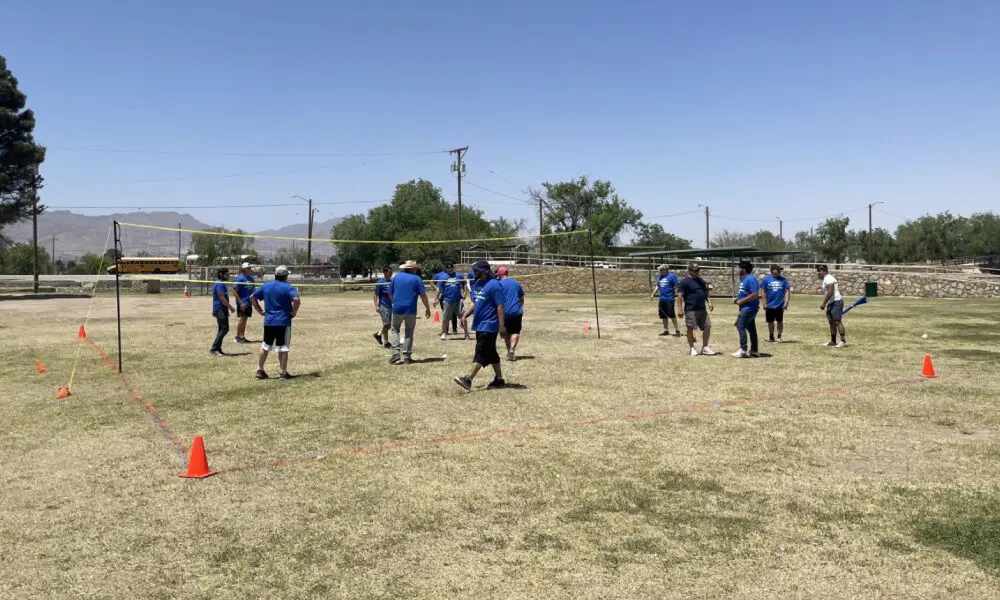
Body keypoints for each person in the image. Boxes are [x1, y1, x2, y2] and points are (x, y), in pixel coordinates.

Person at [454, 260, 507, 391]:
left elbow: (500, 305)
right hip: (479, 324)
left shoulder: (495, 285)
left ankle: (468, 379)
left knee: (481, 352)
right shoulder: (477, 284)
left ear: (484, 271)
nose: (474, 272)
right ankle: (499, 380)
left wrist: (502, 326)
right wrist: (465, 315)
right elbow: (474, 302)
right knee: (491, 352)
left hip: (489, 324)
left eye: (476, 270)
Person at [251, 265, 301, 379]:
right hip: (283, 322)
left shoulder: (266, 286)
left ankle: (260, 369)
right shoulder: (288, 288)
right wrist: (293, 313)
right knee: (283, 347)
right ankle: (283, 372)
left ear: (275, 275)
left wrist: (259, 311)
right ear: (286, 276)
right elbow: (296, 300)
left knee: (265, 346)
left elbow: (252, 297)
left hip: (269, 321)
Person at [388, 260, 432, 365]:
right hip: (411, 309)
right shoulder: (417, 279)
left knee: (395, 330)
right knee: (409, 332)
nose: (416, 269)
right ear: (412, 269)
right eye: (415, 268)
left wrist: (394, 302)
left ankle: (395, 352)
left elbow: (390, 292)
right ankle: (407, 356)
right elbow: (423, 295)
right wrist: (427, 308)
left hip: (397, 308)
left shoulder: (396, 277)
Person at [676, 263, 718, 356]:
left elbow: (705, 293)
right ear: (690, 271)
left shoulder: (701, 281)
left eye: (698, 270)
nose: (697, 272)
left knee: (707, 326)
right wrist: (679, 309)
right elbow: (680, 296)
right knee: (691, 328)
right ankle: (692, 348)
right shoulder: (684, 282)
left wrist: (709, 302)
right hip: (691, 309)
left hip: (702, 309)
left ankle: (705, 348)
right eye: (695, 270)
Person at [731, 260, 760, 358]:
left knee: (740, 326)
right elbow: (746, 293)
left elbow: (754, 294)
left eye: (739, 268)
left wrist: (741, 301)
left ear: (743, 269)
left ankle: (743, 349)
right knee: (751, 329)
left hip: (749, 308)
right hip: (746, 307)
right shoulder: (744, 279)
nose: (738, 270)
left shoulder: (750, 279)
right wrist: (738, 298)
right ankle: (754, 350)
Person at [496, 266, 525, 361]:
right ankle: (512, 349)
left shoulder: (498, 284)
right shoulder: (515, 283)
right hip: (516, 311)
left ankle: (509, 351)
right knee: (515, 332)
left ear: (499, 275)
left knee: (506, 334)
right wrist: (519, 307)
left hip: (504, 312)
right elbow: (521, 298)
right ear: (507, 273)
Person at [434, 263, 469, 341]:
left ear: (453, 268)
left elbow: (464, 284)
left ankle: (466, 334)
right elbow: (438, 288)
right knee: (445, 318)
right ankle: (443, 333)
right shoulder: (442, 277)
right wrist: (435, 299)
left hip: (458, 300)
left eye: (451, 268)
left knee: (463, 317)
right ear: (445, 269)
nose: (450, 269)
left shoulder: (459, 276)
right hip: (447, 300)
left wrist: (464, 293)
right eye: (448, 268)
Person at [760, 264, 791, 342]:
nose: (780, 271)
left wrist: (786, 302)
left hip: (780, 305)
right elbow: (763, 291)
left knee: (780, 321)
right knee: (770, 322)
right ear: (773, 270)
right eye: (778, 270)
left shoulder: (784, 280)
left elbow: (787, 291)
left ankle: (779, 337)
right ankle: (771, 337)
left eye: (780, 270)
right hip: (769, 305)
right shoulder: (766, 280)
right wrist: (764, 302)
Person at [818, 265, 847, 347]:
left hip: (836, 302)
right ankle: (833, 341)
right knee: (831, 322)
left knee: (837, 321)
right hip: (831, 303)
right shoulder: (826, 279)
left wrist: (823, 303)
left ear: (823, 271)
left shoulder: (829, 278)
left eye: (818, 271)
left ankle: (843, 341)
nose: (818, 273)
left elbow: (830, 292)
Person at [649, 264, 681, 336]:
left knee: (672, 315)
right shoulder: (660, 277)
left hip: (670, 299)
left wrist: (678, 293)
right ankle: (666, 330)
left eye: (661, 270)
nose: (659, 271)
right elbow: (658, 286)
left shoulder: (672, 276)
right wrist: (653, 294)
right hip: (662, 299)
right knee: (663, 315)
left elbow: (677, 285)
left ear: (665, 269)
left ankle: (677, 330)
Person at [210, 268, 235, 356]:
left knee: (222, 328)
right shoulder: (219, 284)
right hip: (219, 310)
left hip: (222, 309)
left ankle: (218, 348)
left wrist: (226, 309)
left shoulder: (221, 283)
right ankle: (214, 349)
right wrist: (230, 307)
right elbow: (221, 298)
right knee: (224, 328)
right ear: (221, 274)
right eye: (227, 274)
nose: (228, 276)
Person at [232, 262, 256, 344]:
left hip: (249, 302)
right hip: (243, 303)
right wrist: (241, 302)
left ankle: (242, 337)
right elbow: (234, 292)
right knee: (242, 319)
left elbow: (253, 290)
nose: (250, 269)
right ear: (243, 269)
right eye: (248, 268)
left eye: (250, 268)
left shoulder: (251, 278)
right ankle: (237, 337)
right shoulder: (240, 278)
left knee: (245, 320)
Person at [373, 266, 393, 349]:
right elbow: (375, 294)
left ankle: (385, 341)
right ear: (385, 272)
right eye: (389, 272)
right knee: (387, 324)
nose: (390, 273)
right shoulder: (380, 282)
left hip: (391, 305)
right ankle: (380, 336)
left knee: (388, 325)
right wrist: (376, 305)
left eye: (391, 272)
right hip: (383, 305)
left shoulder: (392, 282)